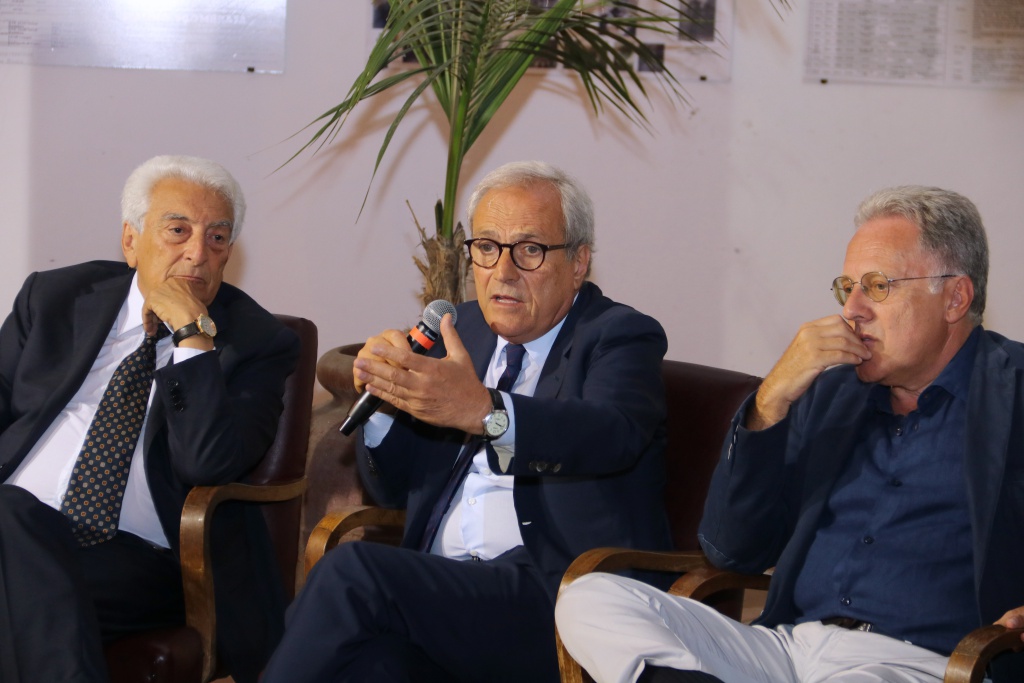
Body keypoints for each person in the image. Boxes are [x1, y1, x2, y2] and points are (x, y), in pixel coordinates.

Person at [555, 186, 1024, 683]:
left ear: (955, 297)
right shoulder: (833, 394)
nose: (853, 309)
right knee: (592, 598)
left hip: (917, 664)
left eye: (877, 286)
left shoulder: (1013, 393)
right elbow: (732, 550)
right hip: (786, 648)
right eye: (848, 288)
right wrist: (771, 400)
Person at [261, 160, 672, 683]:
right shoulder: (464, 329)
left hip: (557, 596)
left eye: (529, 249)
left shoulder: (619, 336)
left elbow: (611, 434)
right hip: (445, 591)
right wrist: (385, 401)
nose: (503, 271)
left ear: (578, 262)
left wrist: (486, 413)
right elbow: (392, 491)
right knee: (368, 663)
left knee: (352, 570)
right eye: (487, 247)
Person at [0, 155, 300, 683]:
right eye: (178, 230)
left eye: (217, 238)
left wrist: (192, 338)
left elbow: (208, 462)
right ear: (130, 240)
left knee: (10, 517)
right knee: (16, 528)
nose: (197, 252)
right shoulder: (53, 298)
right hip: (20, 534)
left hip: (137, 557)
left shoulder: (258, 343)